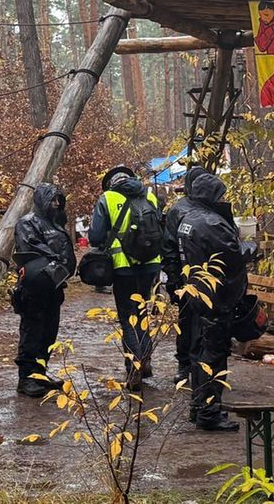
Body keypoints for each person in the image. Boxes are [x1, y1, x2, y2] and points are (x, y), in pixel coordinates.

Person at [176, 170, 249, 431]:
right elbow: (233, 256)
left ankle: (200, 408)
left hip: (197, 294)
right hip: (215, 298)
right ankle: (209, 412)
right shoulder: (212, 223)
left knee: (199, 353)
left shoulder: (188, 219)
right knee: (213, 356)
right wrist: (248, 249)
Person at [88, 165, 163, 389]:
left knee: (128, 318)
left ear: (111, 182)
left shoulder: (107, 198)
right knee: (142, 313)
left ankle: (134, 369)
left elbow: (95, 236)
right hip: (150, 265)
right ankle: (146, 359)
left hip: (124, 268)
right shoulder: (150, 195)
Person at [12, 183, 75, 398]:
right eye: (53, 200)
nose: (56, 204)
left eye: (59, 200)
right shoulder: (28, 223)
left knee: (49, 332)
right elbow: (31, 248)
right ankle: (26, 378)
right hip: (34, 287)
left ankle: (40, 372)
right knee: (32, 331)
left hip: (54, 287)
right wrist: (56, 261)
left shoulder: (56, 223)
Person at [162, 165, 209, 384]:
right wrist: (173, 279)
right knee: (187, 322)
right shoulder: (178, 210)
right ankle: (184, 364)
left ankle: (205, 365)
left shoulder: (212, 208)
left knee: (208, 323)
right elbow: (169, 246)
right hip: (185, 277)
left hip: (210, 279)